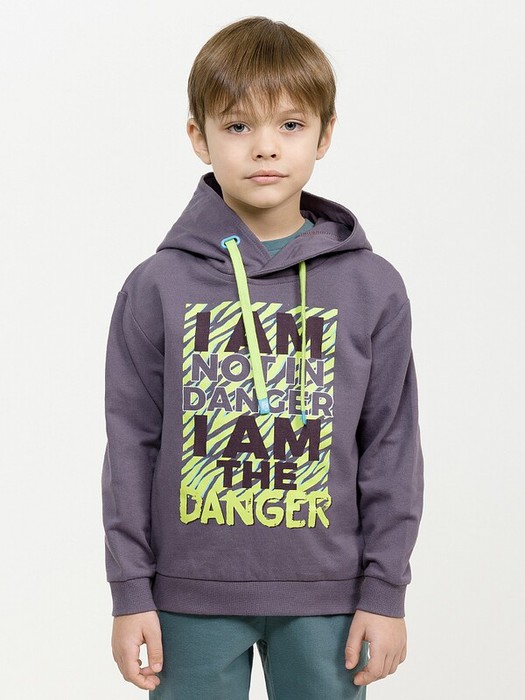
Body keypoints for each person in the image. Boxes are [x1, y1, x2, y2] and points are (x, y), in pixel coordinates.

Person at [101, 16, 425, 699]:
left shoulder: (371, 287)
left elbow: (391, 446)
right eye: (238, 125)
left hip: (329, 595)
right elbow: (131, 445)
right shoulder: (155, 287)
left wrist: (385, 590)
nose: (265, 147)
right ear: (199, 137)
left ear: (324, 135)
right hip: (186, 596)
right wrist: (130, 590)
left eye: (290, 124)